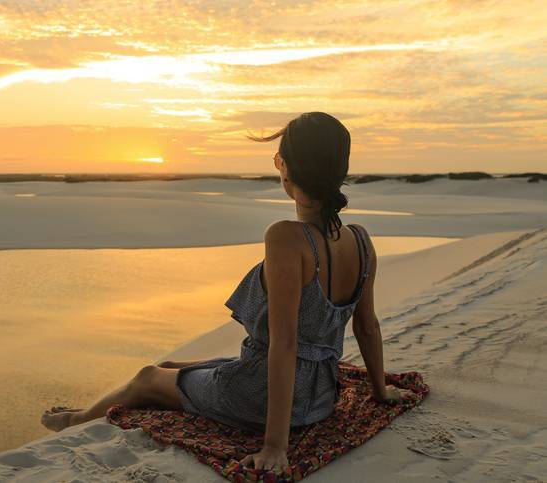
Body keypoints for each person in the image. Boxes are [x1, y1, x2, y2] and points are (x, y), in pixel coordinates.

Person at [41, 112, 414, 474]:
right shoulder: (361, 241)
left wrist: (275, 446)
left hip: (261, 398)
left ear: (286, 167)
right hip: (321, 396)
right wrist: (381, 392)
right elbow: (368, 327)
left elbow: (284, 344)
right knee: (175, 367)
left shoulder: (287, 238)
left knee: (147, 377)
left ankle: (75, 420)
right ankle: (94, 408)